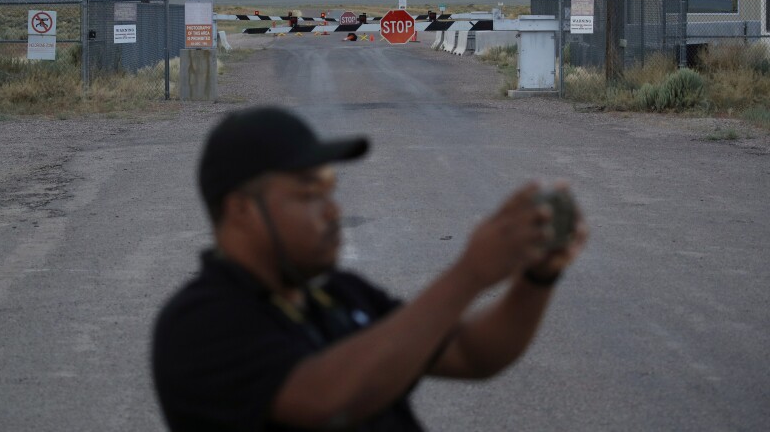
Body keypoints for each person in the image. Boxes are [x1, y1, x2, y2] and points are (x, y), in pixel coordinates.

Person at [152, 105, 587, 431]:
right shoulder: (199, 322)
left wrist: (537, 278)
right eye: (309, 195)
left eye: (330, 191)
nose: (332, 211)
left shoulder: (340, 294)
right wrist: (469, 274)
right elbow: (325, 400)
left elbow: (472, 355)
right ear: (242, 210)